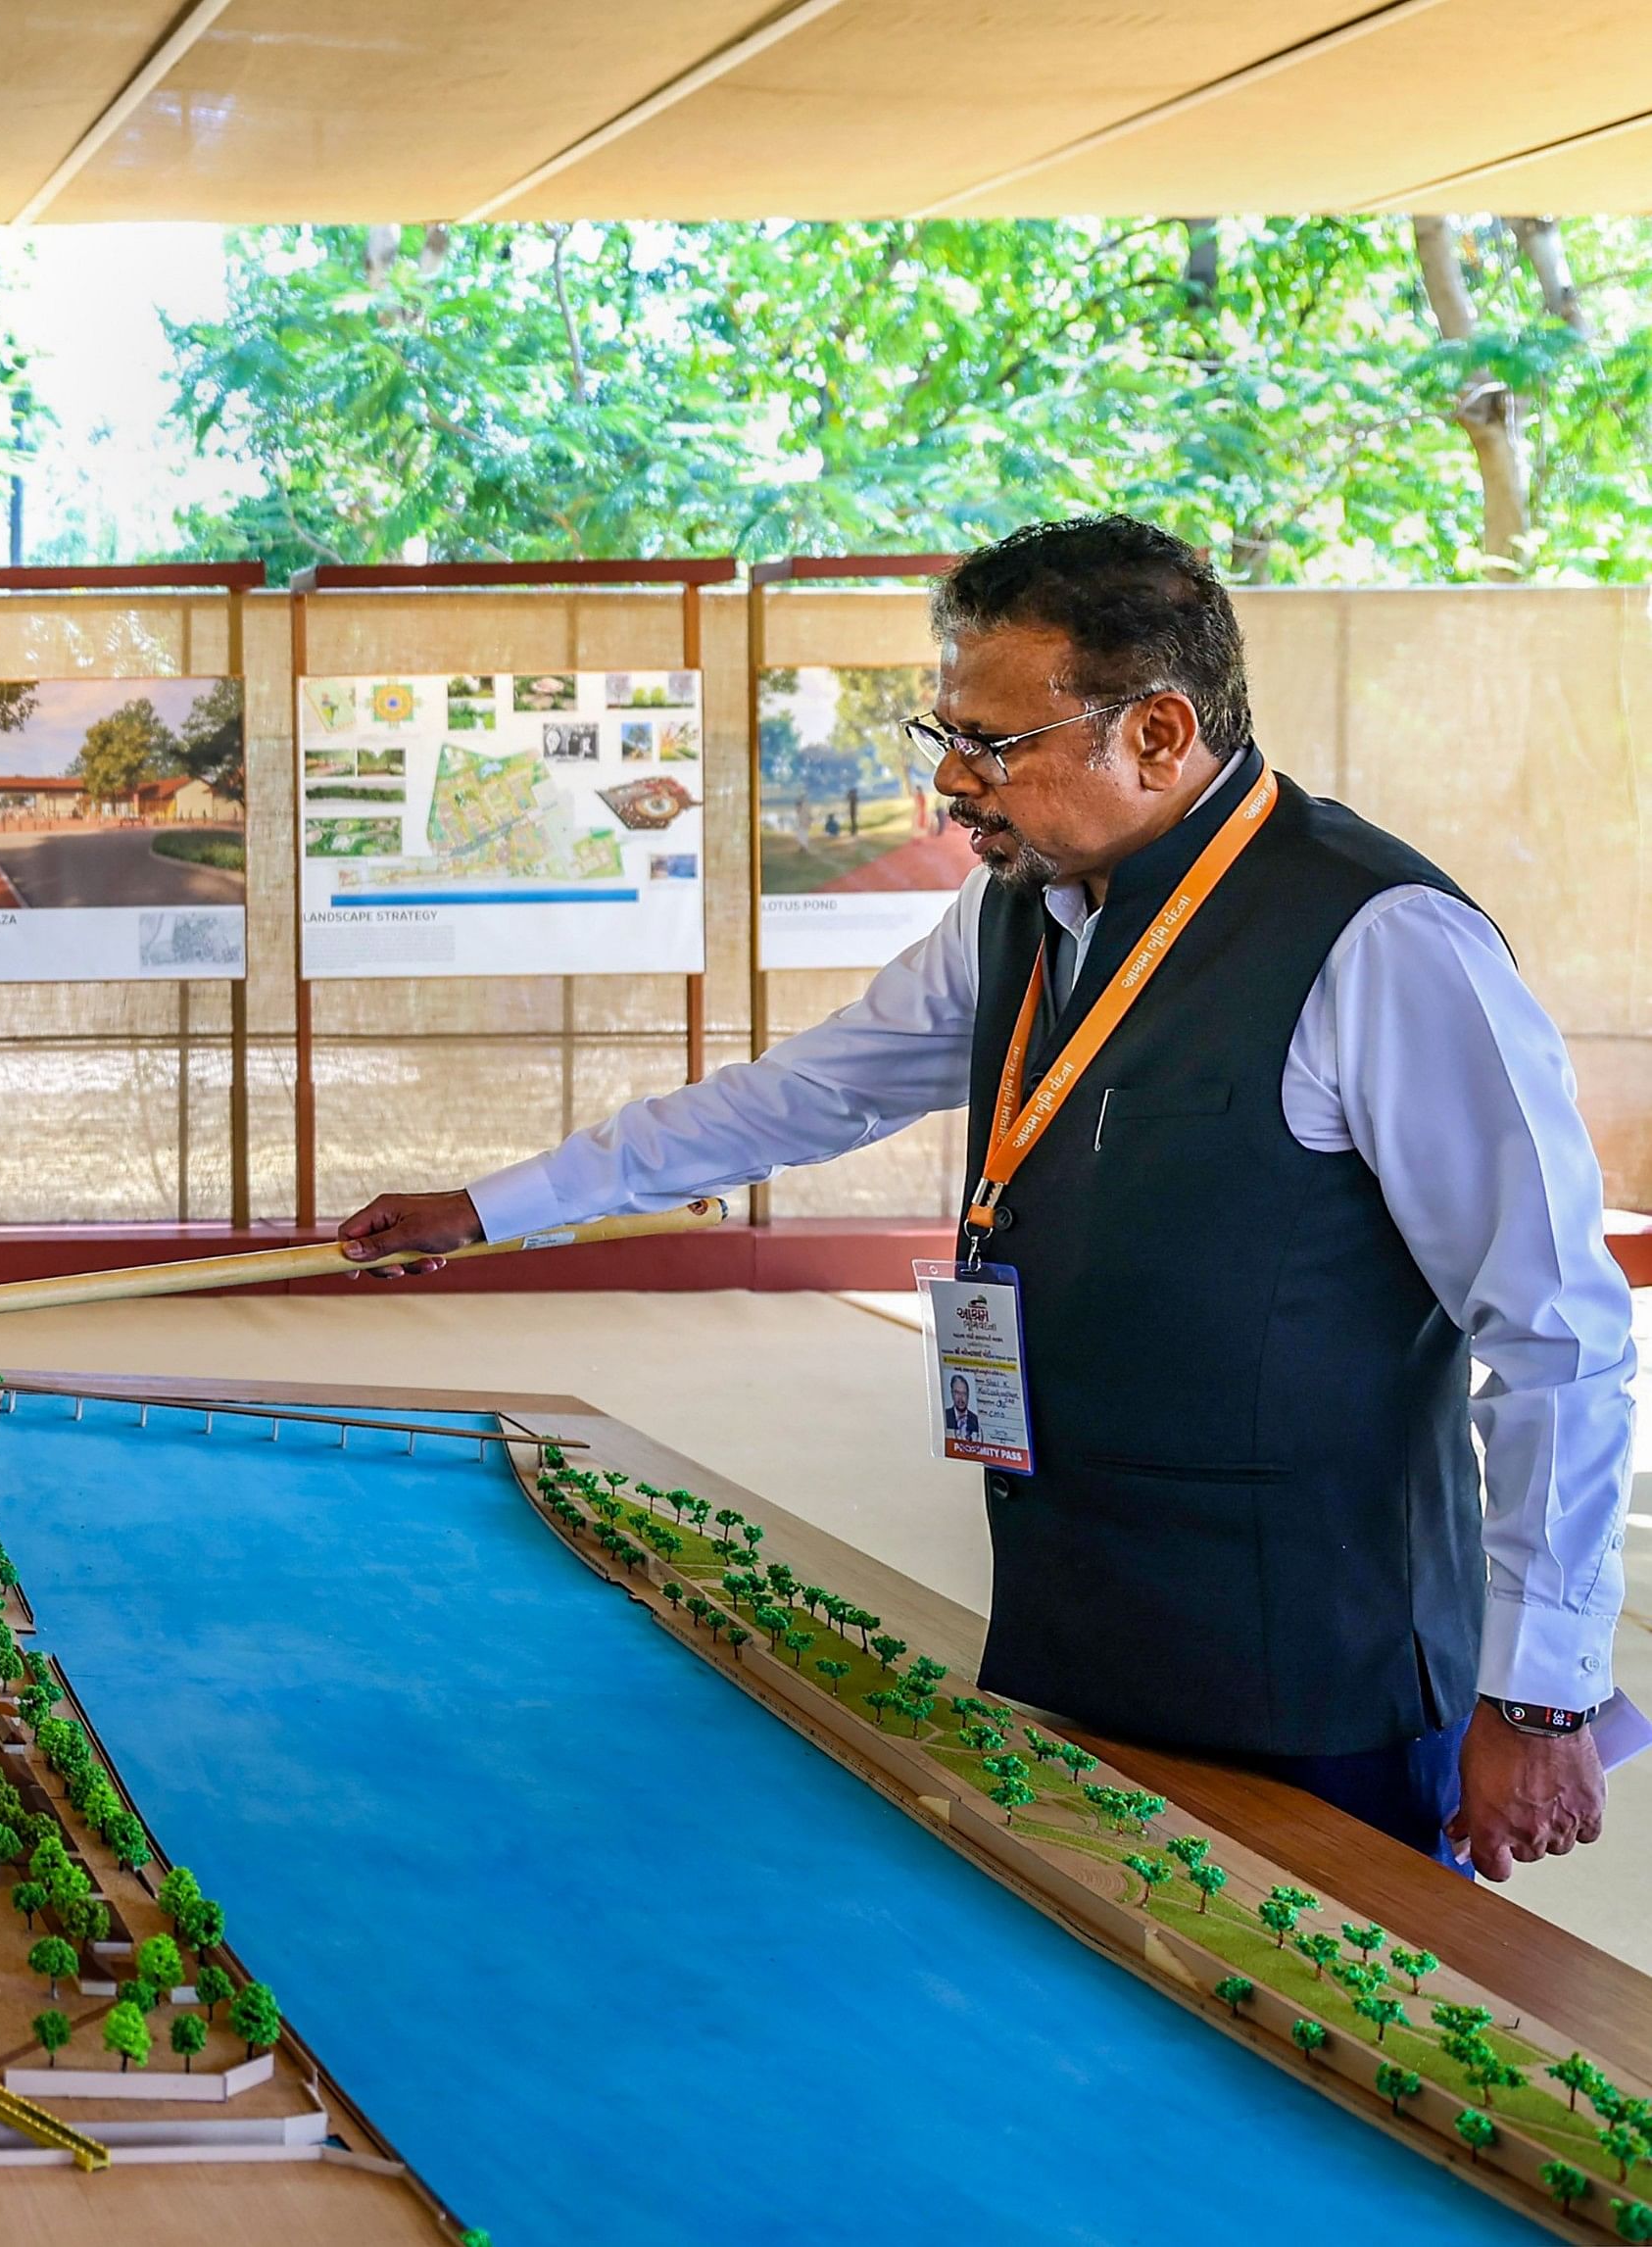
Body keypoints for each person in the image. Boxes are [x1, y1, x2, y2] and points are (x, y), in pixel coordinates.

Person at [335, 515, 1633, 1879]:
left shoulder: (1378, 938)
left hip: (1321, 1670)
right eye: (942, 731)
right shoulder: (1022, 905)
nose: (954, 779)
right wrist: (492, 1206)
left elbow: (1557, 1332)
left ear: (1156, 733)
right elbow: (804, 1093)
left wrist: (1540, 1693)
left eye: (995, 743)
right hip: (1083, 1628)